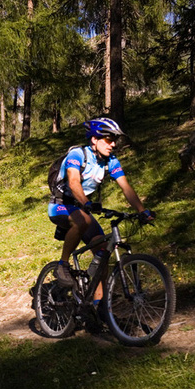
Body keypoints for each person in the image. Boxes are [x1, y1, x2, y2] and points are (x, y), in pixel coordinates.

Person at [47, 117, 154, 303]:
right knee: (83, 220)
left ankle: (99, 307)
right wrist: (86, 203)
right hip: (60, 204)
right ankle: (63, 265)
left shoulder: (110, 161)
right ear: (94, 139)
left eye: (114, 140)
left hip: (82, 207)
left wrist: (142, 210)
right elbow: (73, 182)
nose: (112, 144)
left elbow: (126, 187)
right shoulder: (77, 155)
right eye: (108, 139)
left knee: (102, 254)